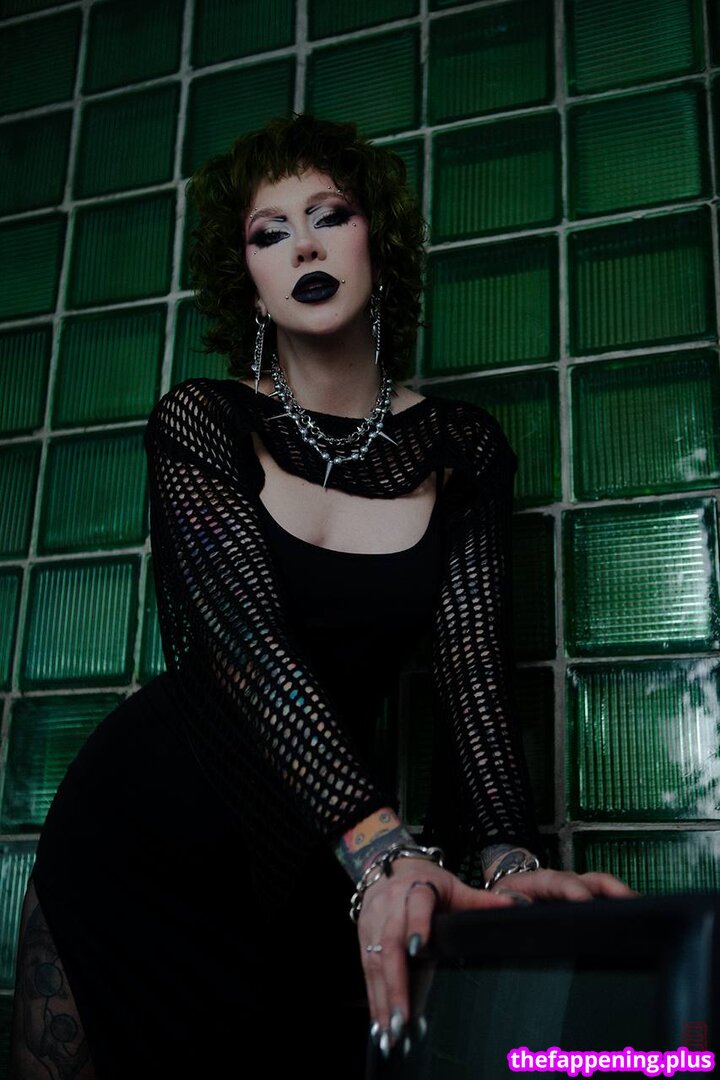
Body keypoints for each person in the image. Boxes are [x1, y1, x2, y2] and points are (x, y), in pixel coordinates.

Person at [8, 114, 635, 1080]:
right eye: (271, 232)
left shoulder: (462, 449)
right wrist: (382, 850)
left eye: (329, 215)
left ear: (374, 238)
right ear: (249, 278)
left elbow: (472, 677)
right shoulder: (201, 421)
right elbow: (250, 648)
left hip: (308, 866)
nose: (303, 245)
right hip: (138, 840)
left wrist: (510, 863)